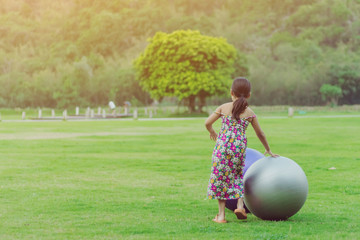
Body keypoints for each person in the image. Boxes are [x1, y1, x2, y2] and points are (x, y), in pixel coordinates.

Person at [205, 77, 278, 223]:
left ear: (231, 92)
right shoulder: (249, 112)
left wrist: (212, 131)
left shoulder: (223, 107)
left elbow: (207, 123)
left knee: (221, 178)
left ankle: (221, 216)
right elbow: (260, 133)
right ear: (249, 94)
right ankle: (240, 206)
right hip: (238, 148)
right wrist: (268, 149)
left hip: (223, 147)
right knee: (238, 175)